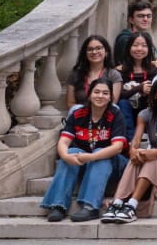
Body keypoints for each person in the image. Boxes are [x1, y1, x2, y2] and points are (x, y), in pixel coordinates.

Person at [40, 79, 128, 223]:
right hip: (85, 161)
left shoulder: (115, 115)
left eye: (105, 93)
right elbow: (63, 141)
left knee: (101, 153)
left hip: (114, 164)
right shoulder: (78, 114)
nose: (100, 96)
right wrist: (65, 156)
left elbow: (117, 147)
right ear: (89, 94)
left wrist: (91, 157)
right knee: (71, 151)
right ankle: (57, 205)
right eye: (97, 92)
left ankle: (90, 206)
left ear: (111, 97)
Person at [103, 75, 157, 223]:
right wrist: (133, 150)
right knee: (138, 158)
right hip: (153, 157)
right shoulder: (145, 114)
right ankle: (117, 203)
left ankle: (132, 205)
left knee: (150, 158)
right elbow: (135, 140)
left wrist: (154, 152)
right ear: (154, 95)